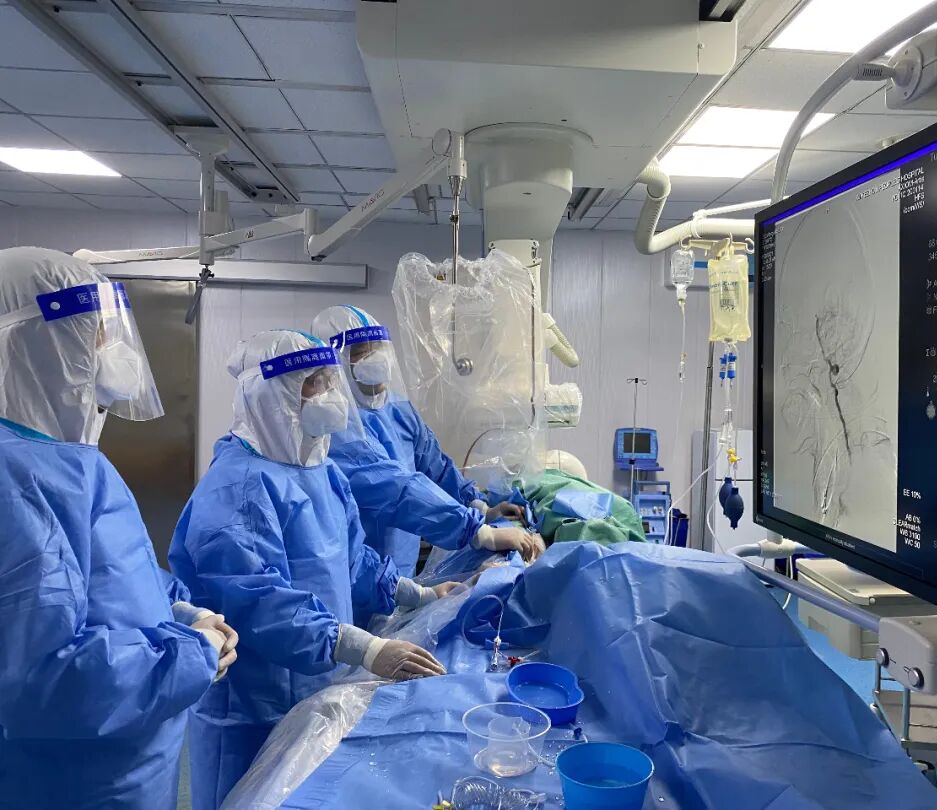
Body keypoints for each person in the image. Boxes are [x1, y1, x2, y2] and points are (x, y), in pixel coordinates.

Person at [169, 329, 453, 810]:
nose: (328, 394)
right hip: (251, 710)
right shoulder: (237, 488)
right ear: (271, 396)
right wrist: (366, 648)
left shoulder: (322, 470)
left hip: (316, 687)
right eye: (311, 383)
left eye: (329, 379)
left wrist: (420, 595)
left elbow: (355, 560)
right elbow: (262, 603)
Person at [0, 247, 237, 810]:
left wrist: (179, 612)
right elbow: (46, 681)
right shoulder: (16, 478)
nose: (113, 349)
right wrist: (190, 655)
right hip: (72, 786)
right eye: (96, 331)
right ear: (36, 341)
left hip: (130, 768)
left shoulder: (74, 461)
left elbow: (114, 580)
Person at [312, 305, 544, 577]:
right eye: (362, 352)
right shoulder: (337, 429)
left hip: (403, 564)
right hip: (362, 572)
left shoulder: (398, 410)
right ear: (337, 364)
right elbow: (396, 488)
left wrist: (480, 507)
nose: (376, 360)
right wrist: (477, 532)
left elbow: (436, 467)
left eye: (378, 349)